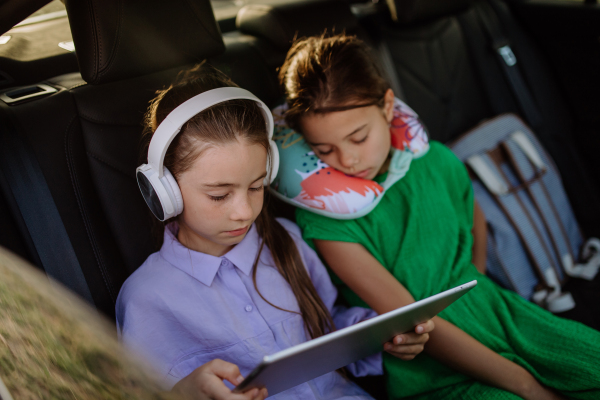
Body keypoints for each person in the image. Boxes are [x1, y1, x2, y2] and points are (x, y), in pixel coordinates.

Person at [277, 33, 600, 400]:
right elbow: (412, 318)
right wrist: (526, 385)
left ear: (387, 107)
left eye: (359, 137)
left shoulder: (436, 161)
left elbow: (473, 218)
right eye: (324, 150)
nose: (347, 160)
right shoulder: (326, 223)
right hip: (429, 361)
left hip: (498, 312)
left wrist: (472, 283)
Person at [116, 63, 434, 400]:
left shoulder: (287, 241)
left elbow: (326, 329)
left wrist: (380, 334)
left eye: (255, 187)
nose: (245, 212)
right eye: (219, 195)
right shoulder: (146, 299)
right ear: (165, 191)